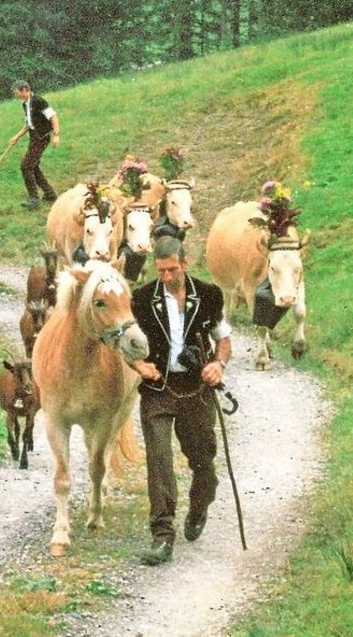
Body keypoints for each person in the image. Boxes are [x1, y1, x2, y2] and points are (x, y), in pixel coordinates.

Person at [128, 236, 233, 566]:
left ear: (185, 264)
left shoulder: (209, 294)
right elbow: (126, 342)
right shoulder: (142, 299)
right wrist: (138, 365)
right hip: (158, 389)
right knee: (159, 459)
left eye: (172, 269)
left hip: (196, 390)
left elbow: (223, 339)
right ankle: (162, 535)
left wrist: (218, 365)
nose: (166, 276)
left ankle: (201, 502)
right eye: (160, 270)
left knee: (203, 461)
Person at [8, 80, 60, 210]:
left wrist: (56, 135)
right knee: (33, 166)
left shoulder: (38, 101)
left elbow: (53, 117)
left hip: (42, 138)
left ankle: (34, 199)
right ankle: (50, 194)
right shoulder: (25, 104)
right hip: (34, 137)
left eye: (17, 92)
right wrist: (16, 137)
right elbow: (28, 124)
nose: (16, 95)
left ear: (24, 89)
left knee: (26, 166)